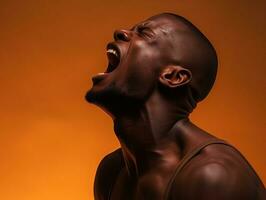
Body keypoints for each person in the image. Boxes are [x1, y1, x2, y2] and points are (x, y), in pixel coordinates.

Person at [85, 13, 265, 200]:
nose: (121, 32)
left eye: (145, 33)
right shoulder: (111, 173)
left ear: (173, 77)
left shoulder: (213, 177)